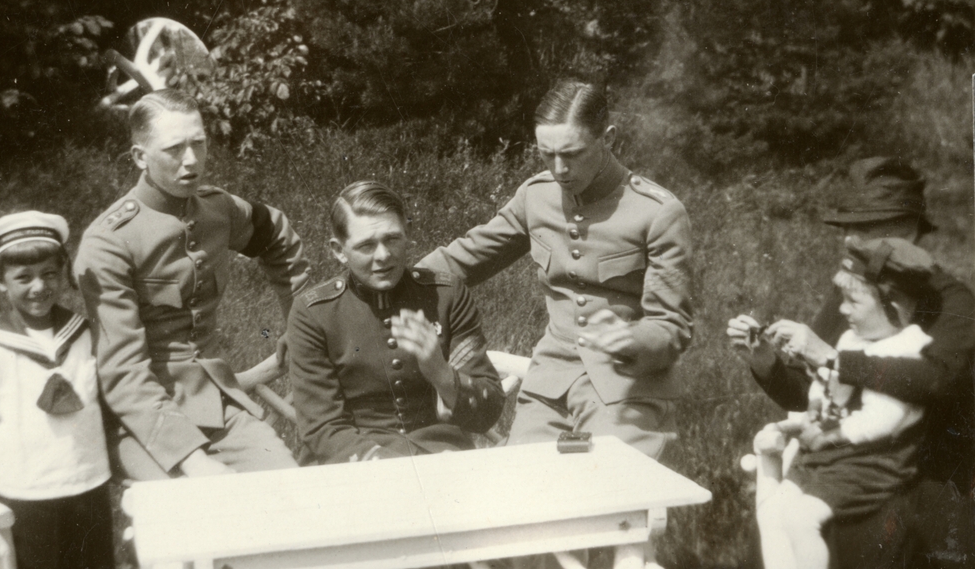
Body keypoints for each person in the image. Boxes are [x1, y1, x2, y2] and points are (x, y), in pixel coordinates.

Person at [728, 157, 975, 569]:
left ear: (906, 228)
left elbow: (935, 382)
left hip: (924, 475)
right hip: (843, 465)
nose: (848, 238)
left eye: (863, 226)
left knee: (870, 544)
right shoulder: (854, 291)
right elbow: (811, 393)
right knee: (779, 525)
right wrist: (766, 361)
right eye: (846, 226)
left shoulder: (953, 302)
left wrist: (833, 359)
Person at [417, 78, 693, 459]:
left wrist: (630, 338)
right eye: (547, 155)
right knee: (520, 482)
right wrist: (387, 280)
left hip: (626, 388)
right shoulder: (537, 196)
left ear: (608, 138)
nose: (560, 169)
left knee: (610, 482)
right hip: (549, 384)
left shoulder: (657, 213)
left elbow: (672, 327)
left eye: (572, 153)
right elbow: (464, 258)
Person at [74, 89, 307, 479]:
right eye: (174, 149)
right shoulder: (108, 243)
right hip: (144, 423)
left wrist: (299, 324)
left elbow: (277, 236)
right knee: (191, 509)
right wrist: (192, 459)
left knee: (287, 488)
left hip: (215, 402)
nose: (191, 160)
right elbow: (123, 371)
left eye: (198, 143)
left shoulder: (217, 208)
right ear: (140, 157)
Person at [751, 237, 937, 569]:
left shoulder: (908, 350)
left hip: (873, 464)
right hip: (832, 458)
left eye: (853, 301)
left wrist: (826, 434)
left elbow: (881, 421)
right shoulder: (853, 338)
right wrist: (812, 410)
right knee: (773, 512)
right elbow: (827, 388)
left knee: (801, 519)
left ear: (894, 305)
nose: (842, 310)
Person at [0, 212, 115, 569]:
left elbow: (103, 399)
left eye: (49, 274)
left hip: (88, 480)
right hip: (28, 491)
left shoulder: (84, 335)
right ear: (0, 281)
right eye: (23, 278)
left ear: (63, 273)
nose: (39, 287)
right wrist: (9, 467)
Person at [288, 181, 505, 464]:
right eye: (366, 245)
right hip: (356, 467)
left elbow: (489, 411)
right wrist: (391, 469)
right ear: (339, 250)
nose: (383, 255)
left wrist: (441, 374)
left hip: (442, 459)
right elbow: (322, 428)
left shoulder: (447, 295)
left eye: (392, 238)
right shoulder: (313, 312)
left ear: (408, 234)